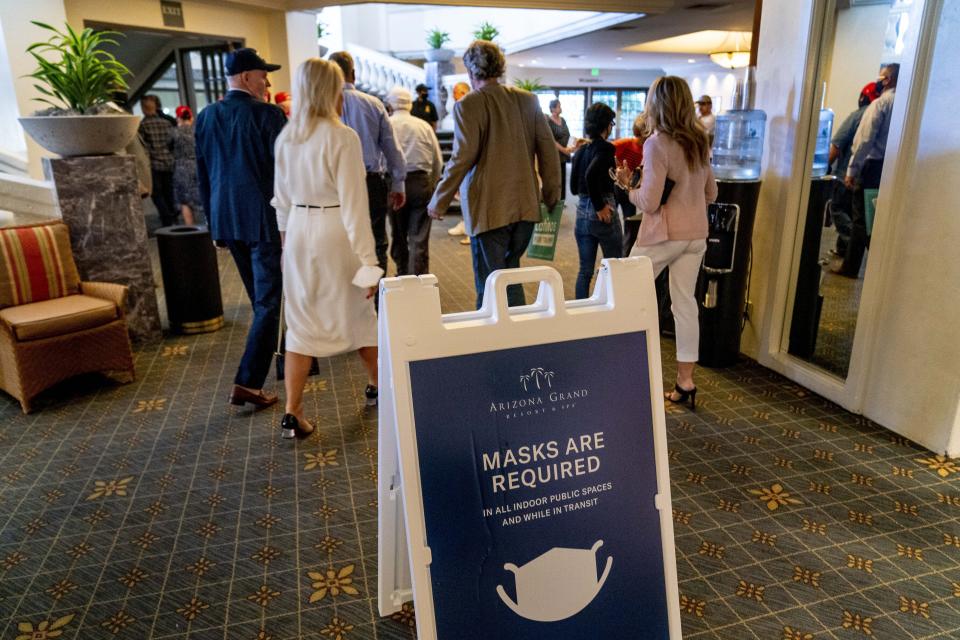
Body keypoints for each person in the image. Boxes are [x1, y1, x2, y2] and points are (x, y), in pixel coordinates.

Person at [272, 58, 382, 439]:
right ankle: (379, 386)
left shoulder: (286, 137)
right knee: (359, 317)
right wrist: (369, 264)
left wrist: (287, 249)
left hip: (300, 232)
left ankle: (293, 411)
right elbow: (355, 207)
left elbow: (281, 202)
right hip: (335, 231)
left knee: (300, 324)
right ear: (330, 90)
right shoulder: (342, 137)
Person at [427, 40, 560, 309]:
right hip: (525, 208)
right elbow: (548, 152)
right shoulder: (528, 100)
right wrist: (551, 196)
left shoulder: (467, 105)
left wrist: (439, 200)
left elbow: (462, 157)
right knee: (510, 274)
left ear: (471, 71)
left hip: (488, 210)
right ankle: (517, 340)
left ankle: (491, 344)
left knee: (488, 284)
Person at [195, 48, 287, 409]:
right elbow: (285, 174)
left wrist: (213, 223)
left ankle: (287, 360)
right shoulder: (269, 115)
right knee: (269, 302)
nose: (267, 82)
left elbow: (204, 175)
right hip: (265, 222)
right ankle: (248, 382)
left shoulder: (206, 117)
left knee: (264, 300)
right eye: (264, 75)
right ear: (247, 77)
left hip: (227, 221)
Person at [617, 76, 717, 409]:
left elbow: (647, 202)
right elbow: (711, 193)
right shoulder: (699, 139)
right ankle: (685, 383)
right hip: (696, 234)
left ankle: (622, 375)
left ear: (655, 104)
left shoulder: (657, 143)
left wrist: (626, 186)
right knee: (685, 305)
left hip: (663, 235)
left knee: (624, 295)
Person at [328, 51, 406, 276]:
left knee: (341, 241)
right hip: (371, 183)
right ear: (353, 73)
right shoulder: (374, 104)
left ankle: (348, 297)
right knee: (375, 241)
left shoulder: (322, 107)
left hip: (336, 185)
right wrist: (398, 185)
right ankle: (376, 302)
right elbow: (393, 149)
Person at [834, 63, 899, 278]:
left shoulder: (881, 104)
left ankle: (852, 267)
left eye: (881, 77)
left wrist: (852, 171)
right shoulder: (906, 105)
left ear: (888, 79)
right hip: (891, 168)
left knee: (862, 219)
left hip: (871, 168)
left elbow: (865, 141)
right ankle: (881, 267)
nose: (879, 81)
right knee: (877, 218)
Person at [386, 87, 444, 275]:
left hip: (394, 184)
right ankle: (418, 279)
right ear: (410, 104)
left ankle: (402, 274)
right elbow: (438, 160)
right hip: (421, 182)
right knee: (419, 236)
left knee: (398, 234)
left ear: (390, 104)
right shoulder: (423, 126)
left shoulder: (386, 123)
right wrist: (432, 183)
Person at [570, 102, 622, 299]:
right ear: (607, 125)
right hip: (602, 210)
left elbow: (574, 187)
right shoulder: (606, 149)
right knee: (614, 263)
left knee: (585, 271)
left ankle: (581, 312)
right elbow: (591, 175)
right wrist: (600, 206)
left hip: (581, 212)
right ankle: (607, 306)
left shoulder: (581, 151)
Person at [827, 82, 880, 258]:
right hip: (867, 175)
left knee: (837, 208)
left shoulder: (858, 115)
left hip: (846, 173)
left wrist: (825, 165)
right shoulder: (881, 115)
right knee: (851, 211)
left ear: (862, 97)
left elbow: (837, 143)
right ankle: (843, 249)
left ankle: (852, 248)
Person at [138, 95, 177, 226]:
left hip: (154, 164)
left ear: (143, 108)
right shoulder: (166, 123)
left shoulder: (142, 125)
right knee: (169, 191)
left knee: (157, 194)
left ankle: (167, 220)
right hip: (169, 162)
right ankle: (173, 217)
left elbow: (143, 148)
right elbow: (172, 143)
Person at [613, 114, 648, 254]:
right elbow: (607, 150)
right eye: (638, 136)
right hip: (617, 185)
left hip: (631, 187)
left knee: (630, 222)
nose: (640, 140)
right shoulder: (626, 143)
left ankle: (625, 254)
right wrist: (616, 167)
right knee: (612, 222)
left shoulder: (649, 148)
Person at [171, 106, 202, 225]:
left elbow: (167, 148)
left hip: (181, 169)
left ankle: (191, 232)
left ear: (178, 118)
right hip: (197, 166)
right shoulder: (197, 130)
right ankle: (209, 231)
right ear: (191, 117)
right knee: (202, 198)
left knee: (184, 201)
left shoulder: (174, 132)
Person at [546, 99, 574, 197]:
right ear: (553, 108)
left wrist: (570, 148)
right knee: (555, 177)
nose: (560, 108)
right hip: (556, 153)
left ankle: (562, 199)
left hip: (564, 154)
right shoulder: (548, 121)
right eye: (558, 106)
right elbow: (551, 140)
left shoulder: (563, 120)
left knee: (563, 177)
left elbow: (568, 135)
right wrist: (564, 149)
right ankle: (554, 199)